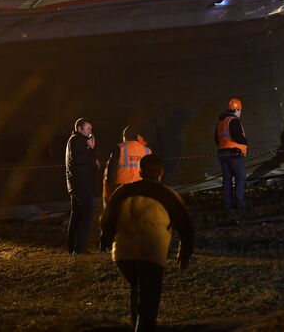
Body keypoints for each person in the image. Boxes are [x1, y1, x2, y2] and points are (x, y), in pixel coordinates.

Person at [100, 154, 194, 332]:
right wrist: (184, 253)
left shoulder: (122, 192)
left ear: (140, 171)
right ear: (161, 172)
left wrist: (110, 237)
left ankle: (136, 323)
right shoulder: (168, 195)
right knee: (148, 302)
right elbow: (185, 226)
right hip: (152, 252)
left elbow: (105, 221)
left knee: (137, 290)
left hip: (123, 254)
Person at [65, 117, 98, 254]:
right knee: (88, 214)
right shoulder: (77, 140)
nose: (90, 131)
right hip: (81, 183)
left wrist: (90, 149)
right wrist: (92, 157)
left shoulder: (75, 140)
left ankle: (72, 247)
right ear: (80, 129)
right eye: (88, 129)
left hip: (76, 183)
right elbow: (79, 159)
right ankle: (79, 249)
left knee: (77, 215)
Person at [103, 126, 152, 206]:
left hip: (121, 189)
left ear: (124, 137)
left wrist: (110, 184)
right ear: (137, 137)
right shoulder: (147, 150)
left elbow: (112, 169)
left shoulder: (119, 148)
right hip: (140, 189)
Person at [215, 98, 248, 210]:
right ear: (237, 109)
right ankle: (240, 204)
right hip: (235, 154)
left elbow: (216, 139)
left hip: (222, 153)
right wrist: (245, 142)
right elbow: (237, 136)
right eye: (240, 110)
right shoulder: (233, 121)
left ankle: (227, 205)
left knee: (227, 180)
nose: (240, 113)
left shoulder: (221, 122)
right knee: (240, 178)